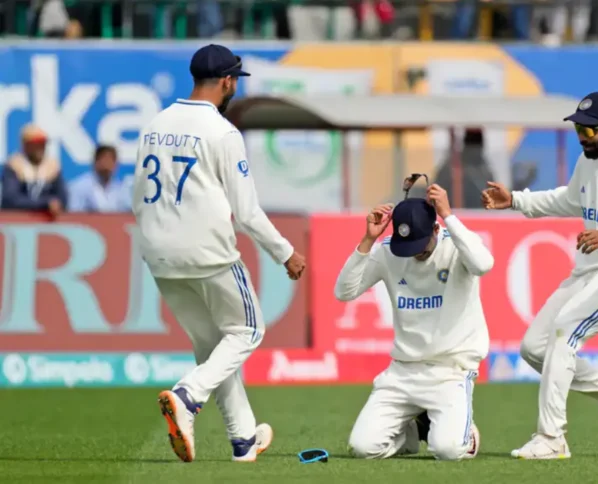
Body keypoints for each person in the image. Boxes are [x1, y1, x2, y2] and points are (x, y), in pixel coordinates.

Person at [131, 44, 306, 463]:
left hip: (158, 252)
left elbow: (137, 193)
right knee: (247, 331)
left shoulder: (155, 123)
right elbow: (245, 212)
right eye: (234, 83)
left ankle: (243, 438)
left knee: (213, 349)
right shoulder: (222, 131)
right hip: (207, 252)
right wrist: (285, 253)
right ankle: (187, 397)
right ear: (228, 81)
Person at [481, 92, 598, 459]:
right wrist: (517, 201)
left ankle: (552, 439)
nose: (582, 136)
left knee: (566, 329)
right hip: (591, 269)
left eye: (590, 129)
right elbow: (569, 200)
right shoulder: (588, 161)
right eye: (578, 128)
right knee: (533, 347)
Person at [335, 178, 492, 461]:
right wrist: (368, 240)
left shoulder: (456, 246)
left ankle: (467, 435)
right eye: (408, 245)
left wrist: (448, 215)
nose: (415, 253)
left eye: (421, 244)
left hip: (451, 369)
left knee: (448, 450)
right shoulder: (388, 250)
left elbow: (483, 264)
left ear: (436, 228)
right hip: (402, 372)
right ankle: (409, 432)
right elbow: (344, 292)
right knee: (362, 448)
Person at [1, 124, 67, 216]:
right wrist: (45, 204)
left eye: (43, 144)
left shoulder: (52, 167)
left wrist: (53, 204)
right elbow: (11, 200)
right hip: (18, 220)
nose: (41, 147)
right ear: (26, 145)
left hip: (47, 221)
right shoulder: (14, 166)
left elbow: (62, 199)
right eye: (36, 144)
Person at [68, 145, 131, 213]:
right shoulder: (80, 186)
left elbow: (128, 212)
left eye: (111, 160)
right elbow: (74, 214)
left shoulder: (120, 188)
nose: (107, 164)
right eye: (105, 159)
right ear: (96, 162)